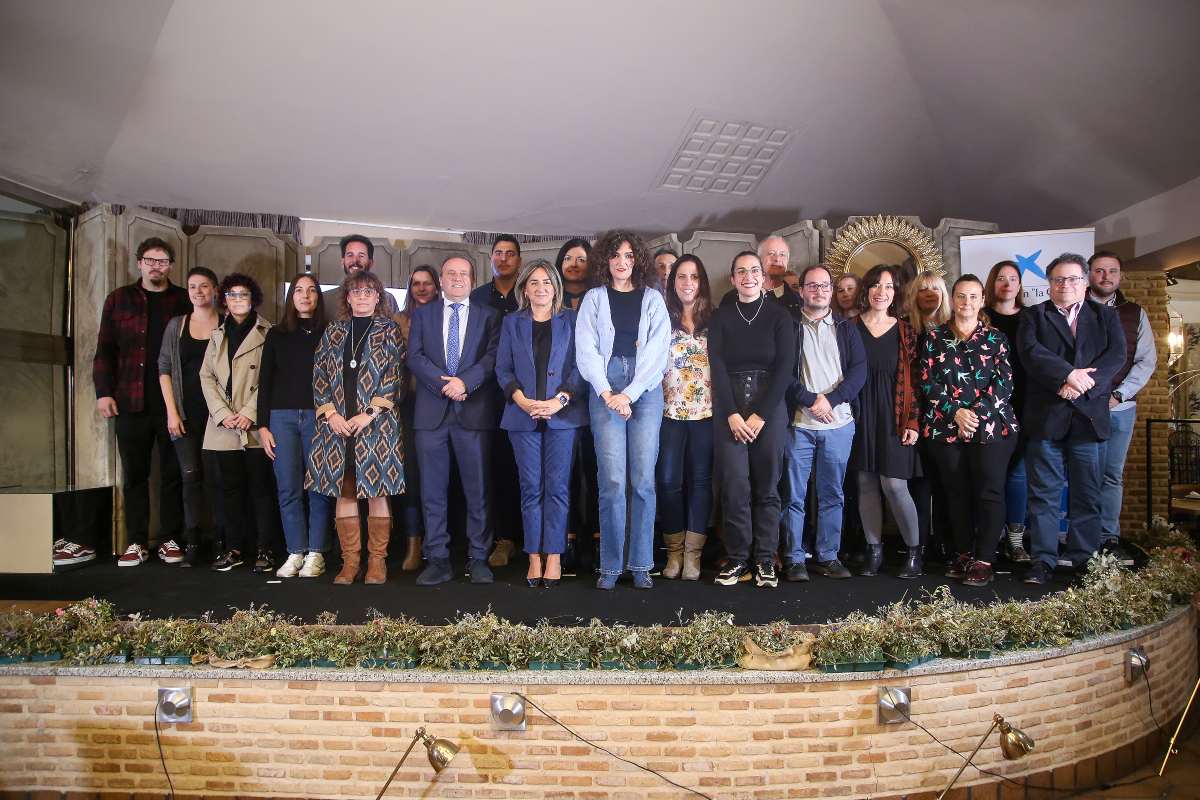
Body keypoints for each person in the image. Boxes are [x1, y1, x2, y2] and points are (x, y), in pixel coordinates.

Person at [1017, 253, 1127, 585]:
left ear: (1085, 282)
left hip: (1088, 418)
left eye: (1073, 279)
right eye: (1059, 280)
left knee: (1086, 494)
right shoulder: (1033, 316)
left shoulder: (1105, 316)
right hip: (1046, 418)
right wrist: (1066, 376)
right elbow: (1031, 355)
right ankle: (1043, 561)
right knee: (1044, 495)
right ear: (1049, 284)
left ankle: (1082, 559)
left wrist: (1080, 385)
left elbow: (1116, 356)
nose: (1066, 285)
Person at [575, 230, 670, 590]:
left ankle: (641, 564)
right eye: (616, 255)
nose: (622, 262)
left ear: (638, 261)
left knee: (642, 481)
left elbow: (658, 353)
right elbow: (586, 348)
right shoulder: (594, 298)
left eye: (629, 256)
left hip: (643, 389)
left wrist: (628, 394)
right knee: (612, 481)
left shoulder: (653, 299)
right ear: (605, 260)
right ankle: (611, 567)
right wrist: (606, 391)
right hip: (604, 386)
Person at [92, 237, 191, 568]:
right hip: (129, 401)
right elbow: (105, 348)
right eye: (150, 260)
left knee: (172, 472)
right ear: (139, 263)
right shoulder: (119, 299)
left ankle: (170, 539)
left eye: (162, 262)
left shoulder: (182, 301)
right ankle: (136, 541)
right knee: (134, 474)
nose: (155, 266)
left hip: (172, 404)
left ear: (170, 266)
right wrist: (103, 392)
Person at [919, 275, 1020, 586]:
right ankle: (963, 553)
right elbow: (927, 381)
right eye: (961, 296)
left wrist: (974, 415)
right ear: (953, 299)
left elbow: (1004, 383)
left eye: (973, 297)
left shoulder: (996, 339)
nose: (967, 303)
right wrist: (956, 413)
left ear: (982, 300)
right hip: (945, 428)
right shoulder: (933, 339)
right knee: (956, 493)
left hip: (991, 427)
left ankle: (984, 559)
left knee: (989, 491)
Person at [307, 271, 406, 584]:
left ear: (378, 296)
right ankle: (350, 563)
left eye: (368, 291)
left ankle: (377, 562)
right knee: (345, 490)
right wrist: (331, 414)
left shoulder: (389, 330)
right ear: (347, 297)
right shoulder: (333, 331)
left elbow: (395, 375)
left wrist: (368, 413)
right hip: (337, 426)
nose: (362, 297)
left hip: (376, 426)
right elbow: (319, 375)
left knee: (377, 491)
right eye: (356, 291)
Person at [408, 256, 502, 586]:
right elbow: (414, 356)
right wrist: (445, 383)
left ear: (472, 280)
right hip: (430, 416)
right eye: (451, 273)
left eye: (464, 274)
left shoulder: (489, 316)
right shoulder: (423, 315)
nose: (458, 278)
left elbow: (493, 357)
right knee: (432, 492)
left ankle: (478, 557)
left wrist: (466, 382)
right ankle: (438, 560)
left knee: (477, 491)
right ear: (442, 281)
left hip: (473, 413)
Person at [709, 251, 797, 588]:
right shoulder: (720, 318)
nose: (748, 277)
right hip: (729, 408)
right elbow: (716, 365)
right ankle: (737, 559)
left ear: (764, 278)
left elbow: (785, 368)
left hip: (769, 409)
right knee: (734, 486)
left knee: (768, 486)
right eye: (741, 271)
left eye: (754, 271)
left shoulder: (779, 317)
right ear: (732, 279)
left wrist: (761, 415)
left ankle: (765, 560)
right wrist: (732, 413)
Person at [495, 261, 586, 587]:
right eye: (534, 282)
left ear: (556, 287)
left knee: (559, 489)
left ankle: (555, 556)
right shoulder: (511, 323)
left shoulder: (572, 321)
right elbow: (503, 369)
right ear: (524, 289)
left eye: (547, 282)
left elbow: (580, 367)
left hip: (562, 417)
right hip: (523, 416)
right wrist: (521, 400)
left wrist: (558, 400)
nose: (541, 288)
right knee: (531, 489)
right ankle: (533, 556)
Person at [782, 265, 867, 582]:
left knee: (833, 494)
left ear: (832, 291)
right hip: (799, 424)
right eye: (812, 286)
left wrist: (829, 401)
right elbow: (782, 372)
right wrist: (809, 399)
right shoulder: (789, 326)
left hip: (838, 425)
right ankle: (793, 559)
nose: (818, 291)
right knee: (794, 495)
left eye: (824, 286)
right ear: (801, 290)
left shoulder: (846, 328)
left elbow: (859, 372)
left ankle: (828, 556)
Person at [200, 274, 280, 573]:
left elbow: (271, 378)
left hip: (255, 423)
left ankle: (266, 549)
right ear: (224, 300)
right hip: (223, 424)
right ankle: (233, 548)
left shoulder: (269, 332)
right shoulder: (217, 334)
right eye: (232, 295)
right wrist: (222, 413)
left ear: (253, 298)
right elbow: (206, 377)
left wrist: (249, 411)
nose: (237, 300)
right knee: (229, 490)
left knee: (261, 490)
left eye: (243, 294)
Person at [257, 274, 335, 578]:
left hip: (319, 417)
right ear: (291, 297)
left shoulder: (329, 333)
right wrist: (263, 425)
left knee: (318, 486)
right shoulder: (276, 335)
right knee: (288, 487)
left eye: (311, 290)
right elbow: (264, 383)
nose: (305, 295)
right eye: (299, 290)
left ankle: (317, 552)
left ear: (318, 297)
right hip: (282, 418)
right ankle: (295, 551)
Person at [849, 265, 923, 578]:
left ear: (896, 294)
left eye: (889, 287)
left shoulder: (907, 331)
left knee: (894, 484)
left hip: (895, 416)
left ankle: (914, 552)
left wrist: (914, 422)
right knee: (865, 483)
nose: (883, 292)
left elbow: (920, 380)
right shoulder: (849, 327)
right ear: (866, 290)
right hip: (859, 414)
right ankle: (874, 550)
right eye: (877, 285)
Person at [1086, 251, 1156, 565]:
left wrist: (1120, 394)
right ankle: (1081, 537)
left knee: (1111, 476)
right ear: (1089, 274)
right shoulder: (1075, 308)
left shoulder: (1134, 313)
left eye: (1111, 271)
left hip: (1119, 409)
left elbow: (1146, 360)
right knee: (1082, 474)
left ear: (1120, 276)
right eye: (1099, 271)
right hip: (1082, 408)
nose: (1105, 277)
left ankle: (1107, 536)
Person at [157, 266, 223, 567]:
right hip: (184, 414)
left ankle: (220, 540)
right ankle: (193, 540)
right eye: (193, 286)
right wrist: (172, 412)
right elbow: (164, 369)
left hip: (219, 415)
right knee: (190, 476)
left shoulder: (226, 323)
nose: (198, 291)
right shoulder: (176, 325)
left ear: (215, 290)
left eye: (205, 286)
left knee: (217, 478)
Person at [656, 255, 714, 581]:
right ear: (672, 282)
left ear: (701, 281)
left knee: (702, 482)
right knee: (667, 482)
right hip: (668, 414)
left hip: (706, 414)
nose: (687, 283)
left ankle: (694, 555)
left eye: (693, 276)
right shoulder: (662, 318)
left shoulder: (714, 321)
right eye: (681, 277)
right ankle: (674, 553)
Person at [472, 235, 524, 568]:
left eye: (510, 254)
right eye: (498, 253)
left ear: (519, 260)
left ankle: (524, 538)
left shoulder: (530, 294)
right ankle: (499, 538)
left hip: (524, 396)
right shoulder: (477, 298)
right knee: (491, 469)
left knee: (524, 470)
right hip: (484, 397)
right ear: (490, 258)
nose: (503, 258)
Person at [390, 265, 441, 571]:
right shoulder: (398, 321)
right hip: (406, 404)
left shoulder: (447, 317)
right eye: (416, 284)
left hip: (441, 401)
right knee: (412, 475)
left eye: (427, 283)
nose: (422, 288)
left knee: (440, 477)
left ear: (437, 287)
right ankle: (413, 541)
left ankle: (441, 543)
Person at [903, 270, 954, 562]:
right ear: (914, 295)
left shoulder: (953, 328)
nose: (929, 294)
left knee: (947, 484)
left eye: (935, 289)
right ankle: (919, 544)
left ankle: (946, 543)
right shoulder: (907, 330)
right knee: (919, 484)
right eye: (922, 289)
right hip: (915, 416)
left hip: (947, 416)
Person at [555, 238, 598, 571]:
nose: (574, 264)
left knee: (595, 474)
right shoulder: (550, 302)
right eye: (568, 258)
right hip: (560, 400)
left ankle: (594, 540)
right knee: (565, 475)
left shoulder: (600, 299)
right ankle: (567, 539)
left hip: (597, 396)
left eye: (581, 258)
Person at [985, 260, 1031, 563]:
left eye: (1012, 278)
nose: (1007, 284)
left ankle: (1015, 540)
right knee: (989, 476)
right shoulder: (981, 318)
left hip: (1024, 404)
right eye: (1000, 278)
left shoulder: (1032, 318)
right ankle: (990, 536)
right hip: (988, 406)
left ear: (1019, 285)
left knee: (1017, 474)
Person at [322, 234, 399, 319]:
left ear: (371, 262)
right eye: (350, 255)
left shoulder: (389, 300)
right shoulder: (325, 299)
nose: (355, 260)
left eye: (361, 255)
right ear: (343, 261)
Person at [759, 235, 803, 318]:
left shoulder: (801, 301)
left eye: (782, 254)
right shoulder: (737, 298)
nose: (777, 259)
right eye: (771, 253)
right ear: (759, 259)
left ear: (787, 261)